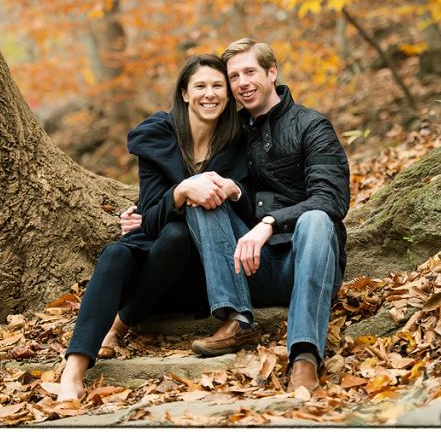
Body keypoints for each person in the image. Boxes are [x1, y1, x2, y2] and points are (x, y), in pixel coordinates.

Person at [122, 38, 350, 394]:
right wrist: (148, 212)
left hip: (307, 259)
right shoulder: (232, 131)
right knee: (205, 189)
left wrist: (268, 223)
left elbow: (331, 199)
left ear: (271, 72)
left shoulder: (311, 125)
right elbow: (183, 165)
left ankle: (304, 355)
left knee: (317, 218)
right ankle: (238, 319)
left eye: (250, 72)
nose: (242, 82)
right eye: (234, 76)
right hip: (252, 267)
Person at [58, 54, 253, 401]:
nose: (210, 94)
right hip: (155, 257)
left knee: (177, 235)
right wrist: (180, 192)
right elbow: (148, 217)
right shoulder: (159, 135)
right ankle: (73, 370)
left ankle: (119, 326)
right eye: (201, 86)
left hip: (200, 272)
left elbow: (237, 208)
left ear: (228, 94)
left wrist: (182, 200)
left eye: (218, 86)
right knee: (117, 251)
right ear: (184, 93)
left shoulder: (237, 142)